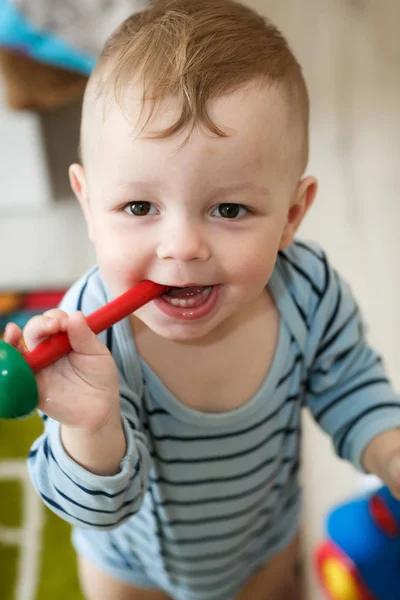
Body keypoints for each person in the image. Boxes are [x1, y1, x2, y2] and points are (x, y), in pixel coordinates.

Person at [5, 1, 400, 598]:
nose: (183, 247)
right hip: (129, 570)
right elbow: (90, 506)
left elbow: (349, 384)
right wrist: (90, 422)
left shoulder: (307, 290)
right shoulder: (87, 335)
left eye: (230, 209)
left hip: (265, 540)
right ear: (89, 205)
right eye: (139, 207)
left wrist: (389, 449)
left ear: (292, 215)